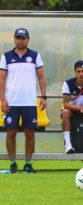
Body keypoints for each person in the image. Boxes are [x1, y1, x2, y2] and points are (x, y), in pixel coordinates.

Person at [0, 28, 47, 174]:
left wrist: (44, 97)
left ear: (28, 39)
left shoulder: (34, 55)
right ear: (14, 39)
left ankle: (28, 163)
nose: (21, 40)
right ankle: (13, 164)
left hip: (29, 102)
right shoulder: (6, 56)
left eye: (23, 38)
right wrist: (2, 99)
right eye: (18, 38)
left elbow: (41, 77)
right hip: (11, 102)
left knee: (30, 133)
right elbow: (1, 79)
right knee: (11, 133)